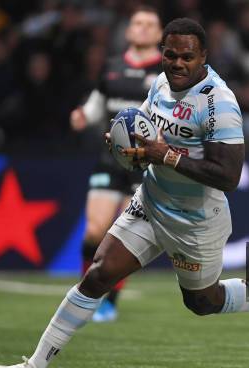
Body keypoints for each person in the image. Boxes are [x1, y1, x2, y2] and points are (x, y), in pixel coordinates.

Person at [0, 18, 249, 368]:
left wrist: (166, 155)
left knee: (202, 302)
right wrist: (124, 142)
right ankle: (34, 367)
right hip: (152, 202)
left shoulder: (218, 102)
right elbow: (141, 128)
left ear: (203, 56)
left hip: (196, 220)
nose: (176, 63)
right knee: (97, 274)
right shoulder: (159, 83)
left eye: (186, 56)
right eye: (170, 54)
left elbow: (228, 176)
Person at [69, 6, 163, 322]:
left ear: (160, 34)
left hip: (144, 166)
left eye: (151, 24)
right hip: (108, 161)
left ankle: (109, 300)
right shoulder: (110, 68)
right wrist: (83, 115)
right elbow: (96, 105)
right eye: (138, 23)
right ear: (128, 31)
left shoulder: (165, 75)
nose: (144, 28)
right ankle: (88, 290)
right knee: (94, 232)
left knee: (120, 238)